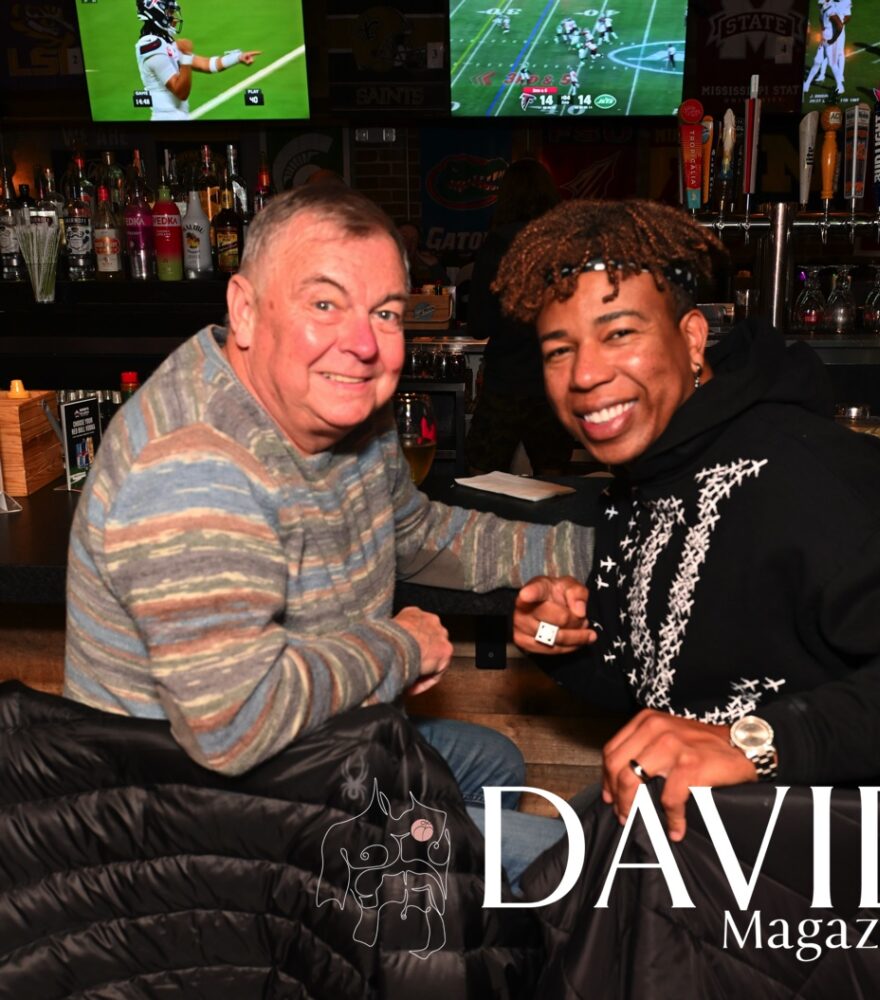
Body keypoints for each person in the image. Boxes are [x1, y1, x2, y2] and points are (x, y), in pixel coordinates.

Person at [63, 184, 591, 880]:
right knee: (574, 868)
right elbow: (236, 725)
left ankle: (430, 925)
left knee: (494, 762)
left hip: (310, 753)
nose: (363, 344)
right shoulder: (194, 465)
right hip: (191, 827)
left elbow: (418, 534)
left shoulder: (345, 409)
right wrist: (400, 646)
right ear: (244, 311)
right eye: (324, 304)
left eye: (385, 312)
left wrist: (602, 551)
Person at [493, 198, 880, 843]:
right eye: (559, 350)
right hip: (713, 841)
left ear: (692, 338)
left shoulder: (810, 471)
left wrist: (753, 743)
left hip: (852, 866)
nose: (584, 374)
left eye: (619, 334)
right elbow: (651, 688)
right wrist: (560, 643)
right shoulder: (642, 480)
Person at [464, 159, 576, 477]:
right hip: (553, 381)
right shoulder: (565, 246)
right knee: (553, 480)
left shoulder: (497, 244)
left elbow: (479, 325)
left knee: (482, 477)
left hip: (506, 380)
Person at [134, 0, 260, 122]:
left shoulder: (165, 42)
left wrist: (237, 57)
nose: (175, 18)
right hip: (166, 119)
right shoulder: (150, 46)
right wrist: (186, 56)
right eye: (170, 12)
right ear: (156, 12)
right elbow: (181, 92)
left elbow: (206, 65)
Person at [396, 220, 447, 287]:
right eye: (404, 237)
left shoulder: (416, 275)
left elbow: (446, 290)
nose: (408, 242)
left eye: (413, 240)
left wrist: (434, 266)